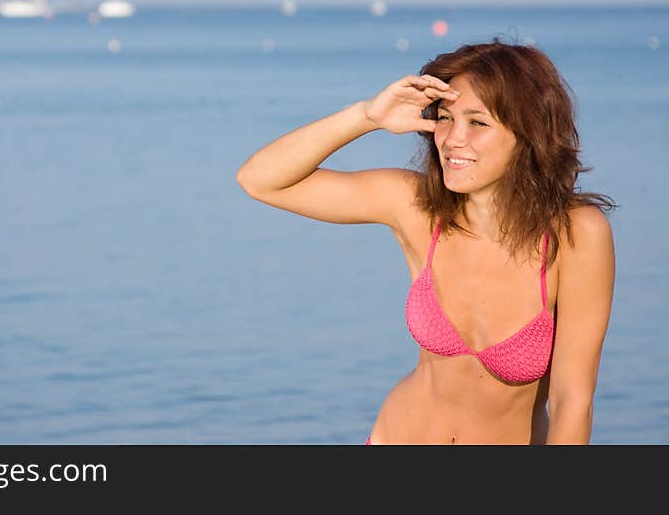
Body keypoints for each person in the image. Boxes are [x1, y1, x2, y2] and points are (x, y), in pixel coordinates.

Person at [235, 38, 617, 445]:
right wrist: (368, 116)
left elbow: (572, 401)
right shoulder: (418, 209)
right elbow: (260, 180)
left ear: (529, 134)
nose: (453, 138)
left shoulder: (575, 233)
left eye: (478, 122)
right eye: (446, 118)